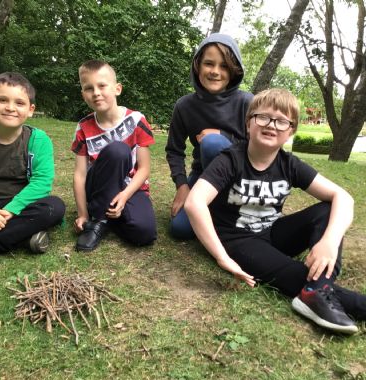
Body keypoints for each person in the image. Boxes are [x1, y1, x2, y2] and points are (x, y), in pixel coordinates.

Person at [184, 88, 366, 334]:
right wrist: (222, 257)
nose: (271, 125)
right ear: (249, 123)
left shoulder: (289, 164)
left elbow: (343, 197)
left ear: (291, 131)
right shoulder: (230, 160)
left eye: (282, 121)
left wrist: (329, 242)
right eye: (263, 117)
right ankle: (342, 300)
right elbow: (195, 202)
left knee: (327, 209)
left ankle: (316, 291)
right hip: (237, 240)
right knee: (297, 275)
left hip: (272, 233)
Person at [0, 72, 65, 262]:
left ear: (30, 109)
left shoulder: (39, 140)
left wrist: (6, 214)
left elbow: (42, 183)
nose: (10, 108)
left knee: (54, 207)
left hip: (22, 208)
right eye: (2, 100)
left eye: (19, 103)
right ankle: (23, 237)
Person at [165, 33, 253, 240]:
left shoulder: (247, 102)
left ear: (234, 70)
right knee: (180, 230)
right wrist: (182, 186)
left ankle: (226, 208)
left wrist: (224, 136)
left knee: (213, 142)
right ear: (197, 66)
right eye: (209, 64)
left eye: (224, 66)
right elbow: (174, 150)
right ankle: (210, 208)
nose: (215, 71)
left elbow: (261, 148)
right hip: (203, 175)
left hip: (239, 179)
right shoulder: (184, 106)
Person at [71, 60, 157, 252]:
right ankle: (98, 220)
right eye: (89, 88)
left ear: (117, 89)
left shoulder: (136, 120)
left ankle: (109, 218)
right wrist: (83, 214)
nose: (96, 93)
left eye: (102, 86)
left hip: (130, 186)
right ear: (83, 94)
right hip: (98, 186)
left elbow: (144, 169)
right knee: (118, 150)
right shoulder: (83, 127)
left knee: (145, 233)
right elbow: (80, 175)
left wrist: (124, 196)